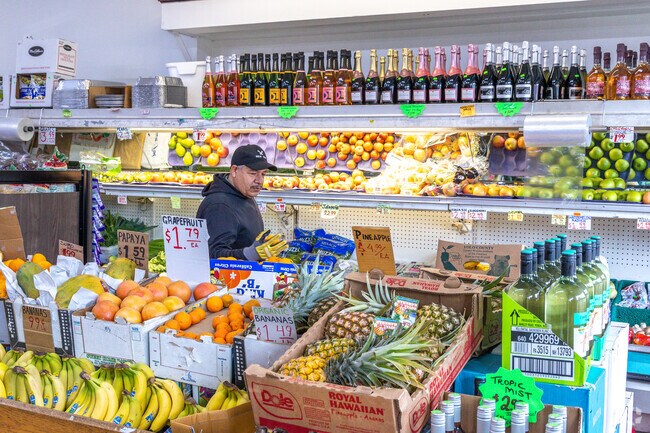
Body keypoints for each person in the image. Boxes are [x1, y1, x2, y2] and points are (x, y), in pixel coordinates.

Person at [197, 144, 287, 260]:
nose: (259, 180)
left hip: (247, 276)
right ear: (234, 171)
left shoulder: (244, 194)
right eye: (253, 173)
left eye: (263, 174)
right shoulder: (219, 205)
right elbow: (213, 254)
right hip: (227, 277)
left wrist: (262, 246)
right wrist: (251, 254)